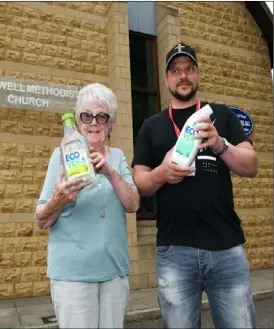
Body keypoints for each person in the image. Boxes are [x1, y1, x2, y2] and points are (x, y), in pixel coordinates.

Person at [132, 43, 258, 328]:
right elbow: (139, 182)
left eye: (189, 69)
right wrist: (162, 173)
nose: (183, 76)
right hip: (174, 252)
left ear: (198, 74)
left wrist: (220, 144)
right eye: (175, 71)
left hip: (226, 248)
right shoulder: (152, 126)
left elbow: (251, 166)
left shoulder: (222, 115)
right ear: (166, 79)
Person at [35, 82, 140, 329]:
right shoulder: (60, 155)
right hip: (73, 275)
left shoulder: (117, 157)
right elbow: (41, 219)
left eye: (102, 116)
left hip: (114, 271)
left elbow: (133, 204)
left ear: (111, 123)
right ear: (79, 123)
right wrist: (59, 199)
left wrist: (110, 173)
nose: (94, 122)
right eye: (87, 116)